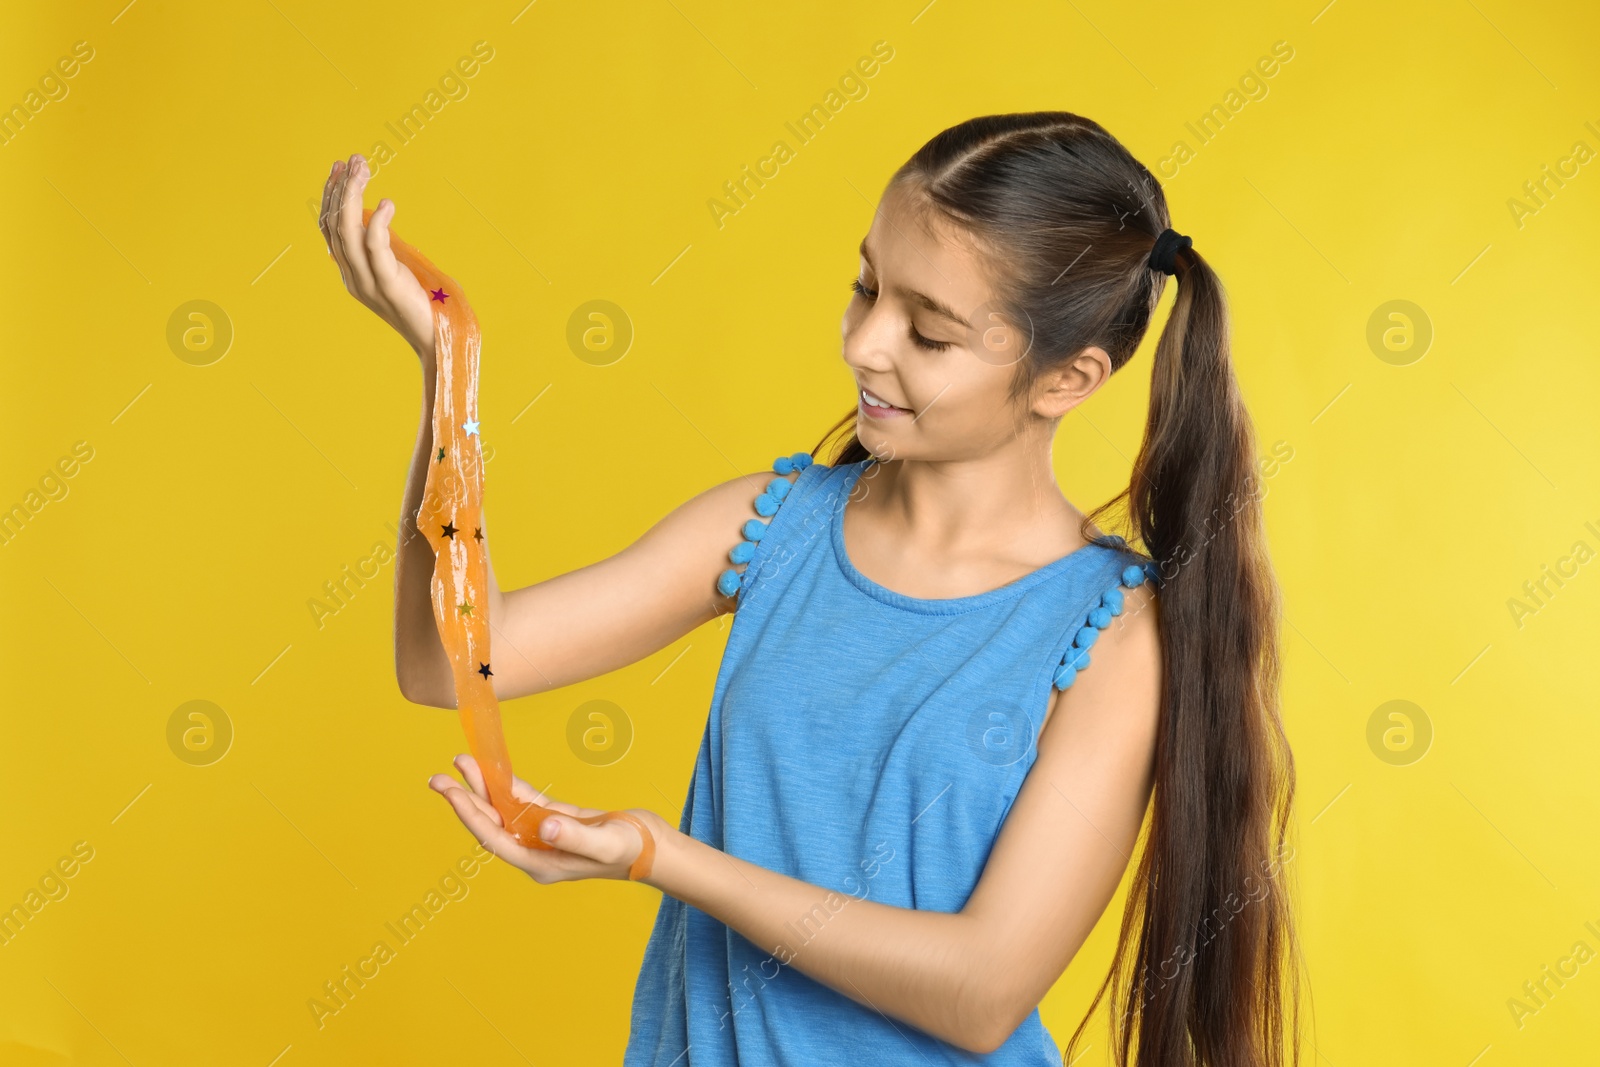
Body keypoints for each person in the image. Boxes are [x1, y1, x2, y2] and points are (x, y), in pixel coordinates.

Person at [318, 110, 1300, 1066]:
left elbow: (980, 989)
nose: (865, 343)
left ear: (1066, 378)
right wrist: (448, 376)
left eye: (930, 332)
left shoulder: (1113, 633)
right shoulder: (772, 525)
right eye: (866, 288)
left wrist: (660, 857)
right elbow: (447, 663)